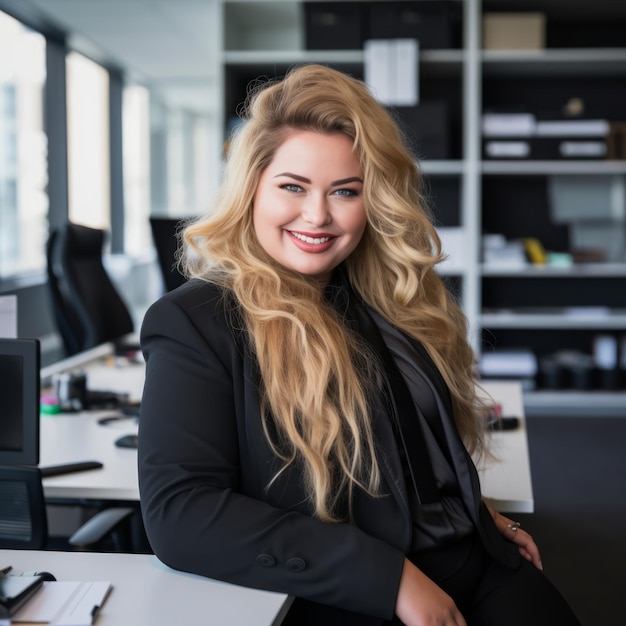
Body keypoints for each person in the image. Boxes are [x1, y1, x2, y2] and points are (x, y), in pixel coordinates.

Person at [138, 64, 581, 626]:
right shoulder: (195, 320)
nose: (318, 215)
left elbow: (406, 443)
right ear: (251, 188)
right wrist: (388, 578)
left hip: (470, 553)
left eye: (345, 191)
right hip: (356, 589)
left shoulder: (381, 297)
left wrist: (472, 507)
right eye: (292, 186)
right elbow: (182, 514)